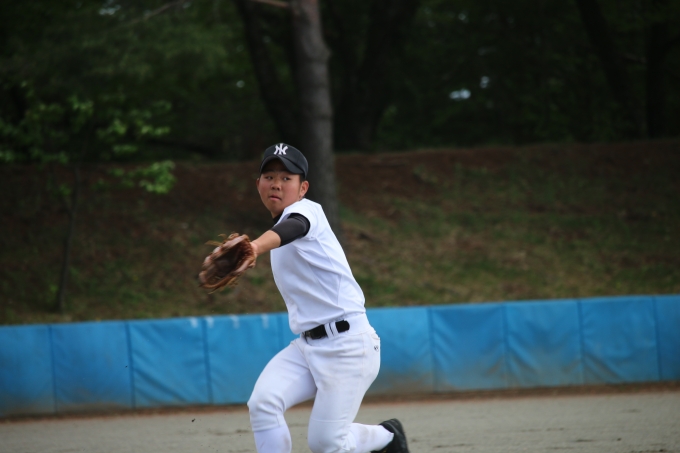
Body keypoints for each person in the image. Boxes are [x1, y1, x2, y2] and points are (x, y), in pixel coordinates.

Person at [245, 143, 410, 453]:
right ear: (258, 184)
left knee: (326, 444)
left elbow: (295, 227)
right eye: (269, 176)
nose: (276, 184)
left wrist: (253, 247)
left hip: (348, 346)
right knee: (263, 403)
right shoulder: (277, 232)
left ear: (303, 188)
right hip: (307, 347)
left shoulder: (307, 212)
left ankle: (388, 438)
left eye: (287, 178)